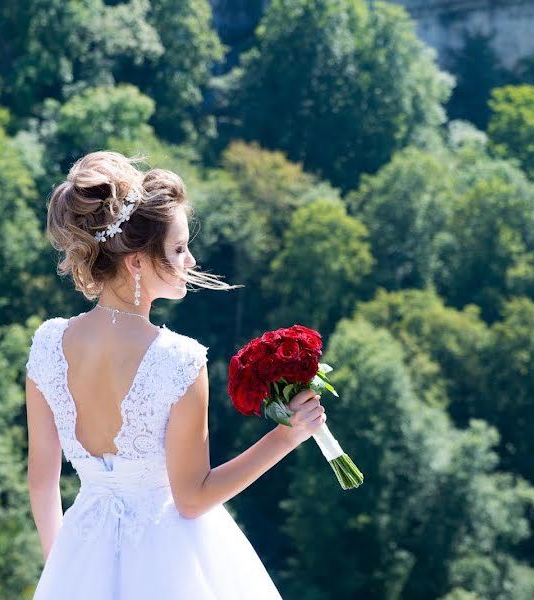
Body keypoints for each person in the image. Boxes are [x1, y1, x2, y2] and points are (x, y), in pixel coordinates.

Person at [25, 150, 326, 599]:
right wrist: (286, 437)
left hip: (80, 552)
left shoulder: (48, 345)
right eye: (180, 248)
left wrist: (63, 570)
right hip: (173, 566)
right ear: (136, 263)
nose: (191, 261)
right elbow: (193, 498)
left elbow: (42, 480)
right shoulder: (177, 359)